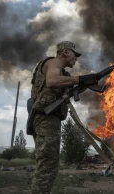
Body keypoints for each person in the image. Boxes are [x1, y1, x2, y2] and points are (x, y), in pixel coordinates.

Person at [30, 41, 101, 194]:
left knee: (49, 165)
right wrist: (82, 79)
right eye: (75, 55)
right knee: (47, 165)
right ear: (66, 53)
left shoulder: (63, 73)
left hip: (49, 120)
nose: (76, 59)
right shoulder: (54, 62)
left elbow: (62, 91)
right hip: (45, 119)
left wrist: (83, 84)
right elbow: (51, 81)